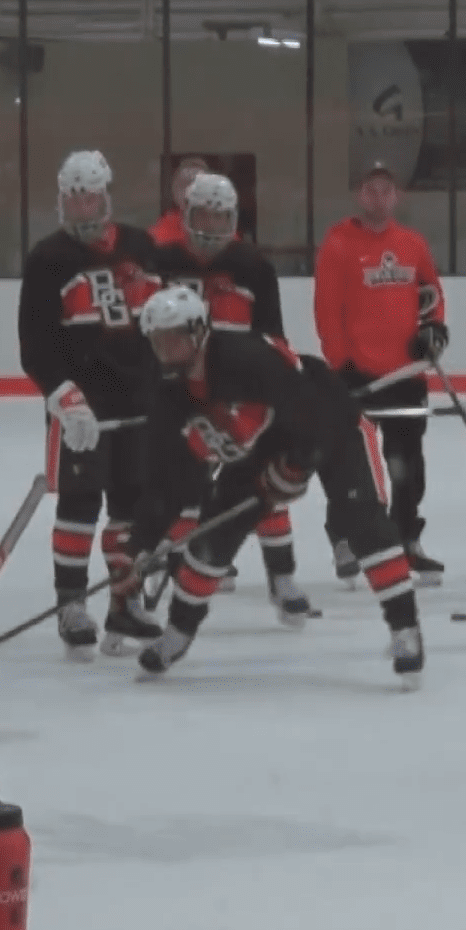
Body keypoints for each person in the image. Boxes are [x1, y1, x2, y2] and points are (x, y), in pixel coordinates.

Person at [121, 286, 424, 685]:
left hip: (331, 425)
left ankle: (405, 629)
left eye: (171, 339)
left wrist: (294, 468)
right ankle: (177, 634)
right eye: (156, 341)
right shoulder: (169, 393)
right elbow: (167, 479)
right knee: (212, 538)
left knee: (362, 522)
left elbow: (313, 417)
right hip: (263, 443)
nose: (163, 350)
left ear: (197, 332)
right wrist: (139, 547)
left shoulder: (245, 359)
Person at [16, 149, 166, 660]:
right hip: (83, 407)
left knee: (130, 507)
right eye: (74, 198)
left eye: (91, 197)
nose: (83, 206)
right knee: (79, 505)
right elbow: (35, 344)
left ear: (106, 196)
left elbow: (164, 322)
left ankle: (125, 602)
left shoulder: (142, 247)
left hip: (139, 402)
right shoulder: (48, 259)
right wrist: (64, 396)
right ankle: (71, 605)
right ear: (63, 200)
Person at [151, 172, 313, 624]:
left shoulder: (253, 266)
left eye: (221, 217)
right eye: (203, 215)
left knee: (260, 480)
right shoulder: (163, 262)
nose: (211, 226)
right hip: (182, 389)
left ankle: (282, 575)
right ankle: (182, 564)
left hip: (240, 391)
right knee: (183, 481)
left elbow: (271, 336)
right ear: (186, 214)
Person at [313, 161, 449, 585]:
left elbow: (431, 294)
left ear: (396, 196)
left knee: (407, 466)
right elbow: (326, 310)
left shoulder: (412, 243)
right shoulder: (339, 243)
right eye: (370, 189)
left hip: (406, 376)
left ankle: (406, 540)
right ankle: (345, 537)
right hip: (360, 376)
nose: (379, 197)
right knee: (353, 465)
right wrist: (342, 366)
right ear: (358, 195)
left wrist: (433, 331)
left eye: (386, 190)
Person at [150, 156, 211, 246]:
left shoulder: (222, 227)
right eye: (184, 184)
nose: (189, 192)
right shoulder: (162, 228)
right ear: (174, 191)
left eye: (198, 185)